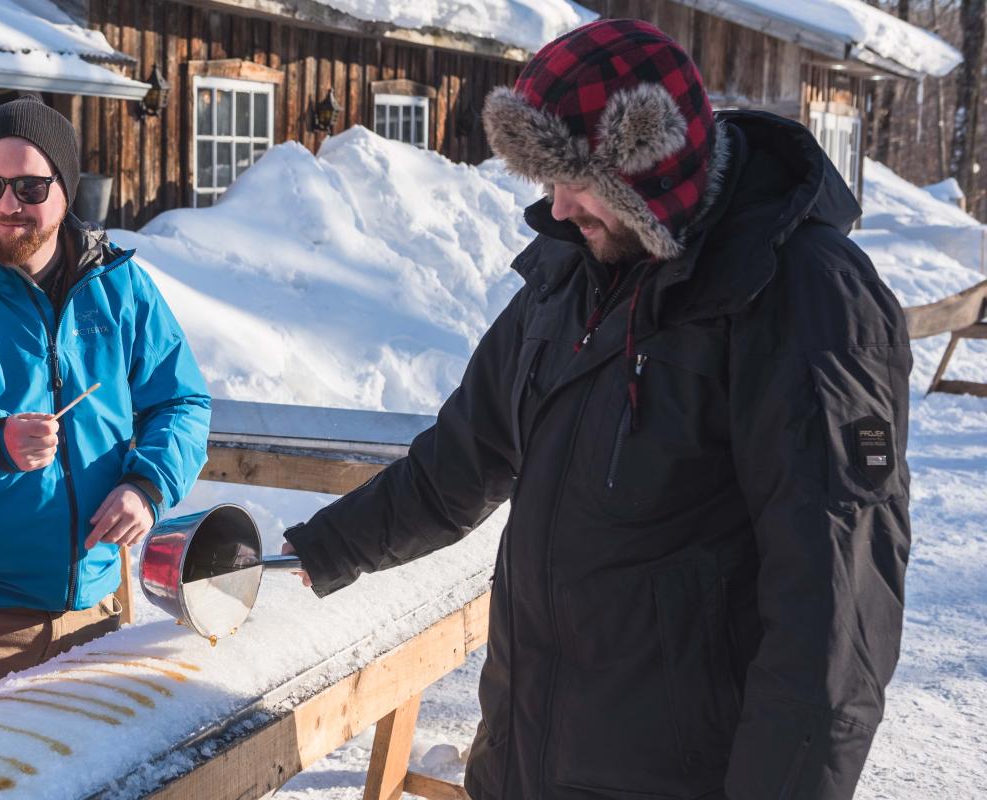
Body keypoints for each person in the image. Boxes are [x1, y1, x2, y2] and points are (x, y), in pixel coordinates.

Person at [281, 20, 911, 800]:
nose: (558, 205)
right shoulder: (572, 272)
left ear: (652, 165)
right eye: (546, 177)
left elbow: (834, 619)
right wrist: (310, 555)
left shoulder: (801, 296)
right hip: (527, 759)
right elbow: (456, 466)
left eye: (577, 180)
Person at [0, 97, 212, 712]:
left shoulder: (116, 283)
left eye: (31, 186)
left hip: (95, 608)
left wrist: (148, 484)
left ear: (66, 191)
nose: (8, 204)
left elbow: (182, 400)